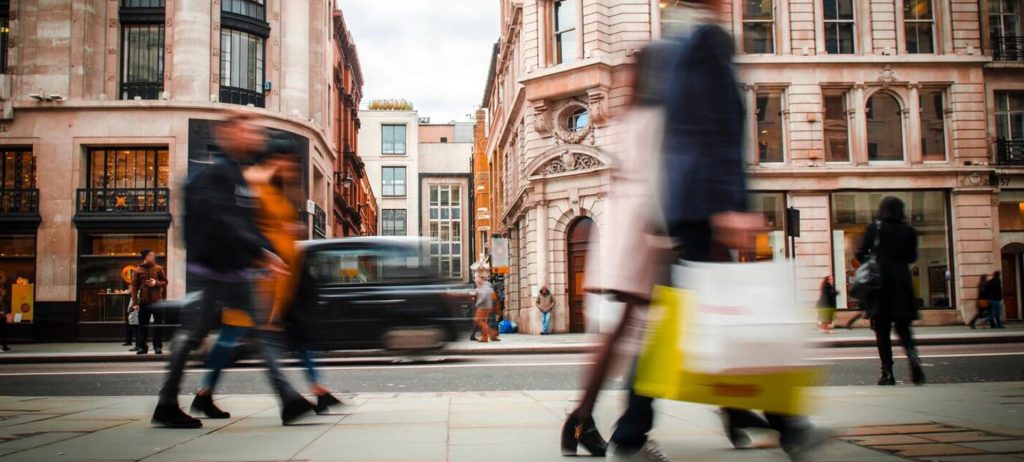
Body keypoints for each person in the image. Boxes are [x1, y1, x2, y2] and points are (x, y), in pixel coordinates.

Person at [151, 112, 314, 429]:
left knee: (264, 335)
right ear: (228, 134)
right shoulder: (219, 174)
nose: (256, 137)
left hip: (237, 271)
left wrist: (266, 251)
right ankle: (167, 402)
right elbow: (223, 221)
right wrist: (263, 253)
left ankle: (289, 400)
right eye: (248, 131)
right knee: (192, 336)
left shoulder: (239, 174)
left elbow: (246, 223)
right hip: (210, 271)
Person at [251, 140, 342, 414]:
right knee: (252, 339)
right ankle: (204, 391)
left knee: (300, 335)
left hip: (290, 273)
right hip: (270, 275)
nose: (292, 168)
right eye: (287, 162)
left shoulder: (280, 190)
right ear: (273, 160)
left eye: (294, 163)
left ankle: (316, 390)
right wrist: (267, 255)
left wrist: (293, 229)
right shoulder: (257, 186)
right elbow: (249, 229)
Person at [855, 197, 925, 387]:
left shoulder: (875, 228)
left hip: (880, 285)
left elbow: (859, 252)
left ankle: (888, 373)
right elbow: (912, 257)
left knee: (882, 331)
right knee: (904, 328)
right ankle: (912, 355)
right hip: (902, 283)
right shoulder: (909, 231)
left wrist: (872, 262)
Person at [131, 249, 168, 354]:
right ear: (145, 257)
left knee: (158, 325)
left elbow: (165, 282)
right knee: (143, 326)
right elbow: (134, 288)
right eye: (151, 255)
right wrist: (135, 303)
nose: (153, 257)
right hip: (143, 302)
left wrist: (156, 283)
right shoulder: (137, 270)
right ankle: (143, 347)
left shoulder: (158, 269)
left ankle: (157, 346)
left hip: (157, 302)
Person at [473, 275, 497, 343]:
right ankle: (485, 337)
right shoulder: (487, 286)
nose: (476, 282)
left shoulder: (484, 287)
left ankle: (492, 333)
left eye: (477, 280)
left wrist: (477, 304)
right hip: (487, 306)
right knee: (483, 321)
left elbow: (483, 297)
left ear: (481, 279)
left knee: (478, 320)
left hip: (483, 307)